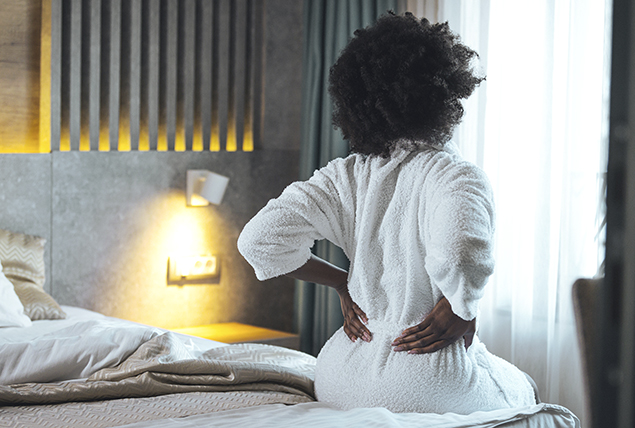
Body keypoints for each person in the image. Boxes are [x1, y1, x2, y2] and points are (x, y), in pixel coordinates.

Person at [237, 12, 535, 414]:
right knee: (524, 388)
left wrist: (344, 283)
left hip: (341, 372)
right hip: (423, 380)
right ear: (446, 92)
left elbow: (259, 240)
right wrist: (463, 306)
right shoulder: (455, 176)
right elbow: (462, 251)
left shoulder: (344, 175)